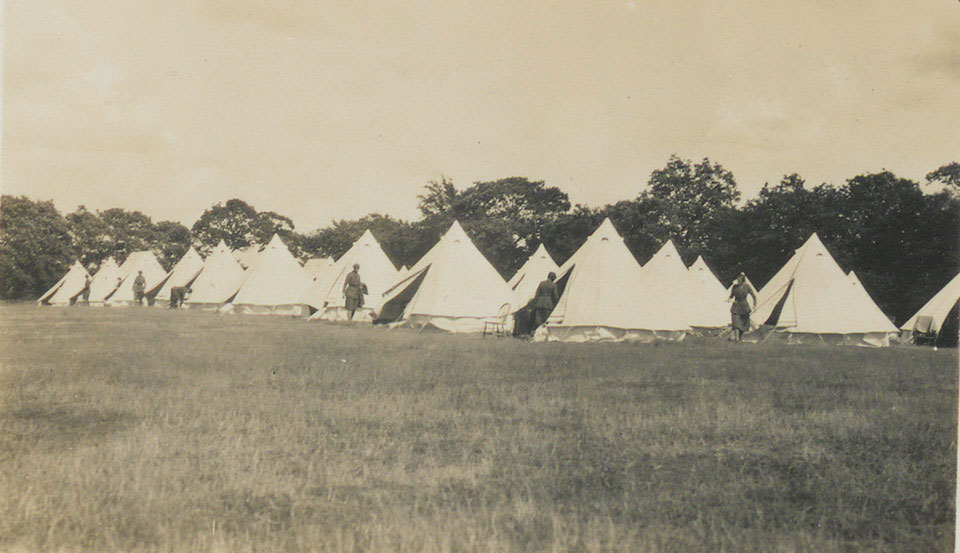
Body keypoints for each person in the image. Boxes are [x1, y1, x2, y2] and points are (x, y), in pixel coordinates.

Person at [728, 273, 756, 342]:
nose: (738, 280)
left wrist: (754, 305)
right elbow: (731, 296)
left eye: (740, 279)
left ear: (743, 279)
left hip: (744, 307)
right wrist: (729, 299)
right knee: (736, 322)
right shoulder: (734, 287)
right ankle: (737, 339)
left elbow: (754, 296)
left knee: (744, 323)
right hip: (736, 307)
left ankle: (739, 337)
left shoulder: (747, 287)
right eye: (738, 279)